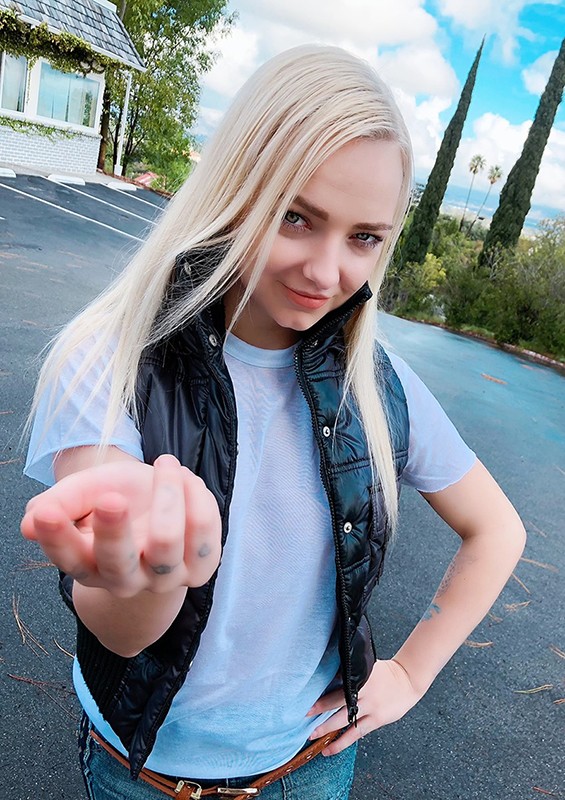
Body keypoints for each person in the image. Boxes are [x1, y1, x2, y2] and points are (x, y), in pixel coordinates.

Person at [21, 44, 526, 800]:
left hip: (310, 770)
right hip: (145, 776)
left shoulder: (377, 385)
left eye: (363, 237)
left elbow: (498, 530)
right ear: (237, 191)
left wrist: (410, 674)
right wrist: (156, 572)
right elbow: (121, 633)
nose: (325, 272)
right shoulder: (112, 358)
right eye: (295, 217)